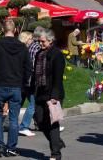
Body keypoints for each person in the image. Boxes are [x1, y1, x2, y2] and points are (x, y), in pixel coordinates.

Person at [0, 19, 31, 157]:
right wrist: (23, 82)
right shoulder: (22, 47)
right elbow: (28, 67)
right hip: (16, 85)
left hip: (0, 84)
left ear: (2, 30)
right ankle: (11, 147)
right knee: (13, 118)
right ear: (15, 30)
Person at [32, 29, 65, 160]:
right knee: (40, 121)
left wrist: (54, 96)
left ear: (50, 40)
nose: (40, 44)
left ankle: (55, 154)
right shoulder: (39, 54)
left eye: (43, 41)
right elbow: (35, 74)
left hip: (52, 93)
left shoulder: (57, 54)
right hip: (40, 92)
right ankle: (57, 142)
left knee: (52, 123)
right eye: (39, 41)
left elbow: (58, 77)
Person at [19, 28, 44, 137]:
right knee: (33, 104)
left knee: (20, 103)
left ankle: (40, 124)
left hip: (23, 79)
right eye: (30, 38)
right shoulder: (35, 47)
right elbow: (35, 65)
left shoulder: (23, 49)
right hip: (31, 80)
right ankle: (24, 126)